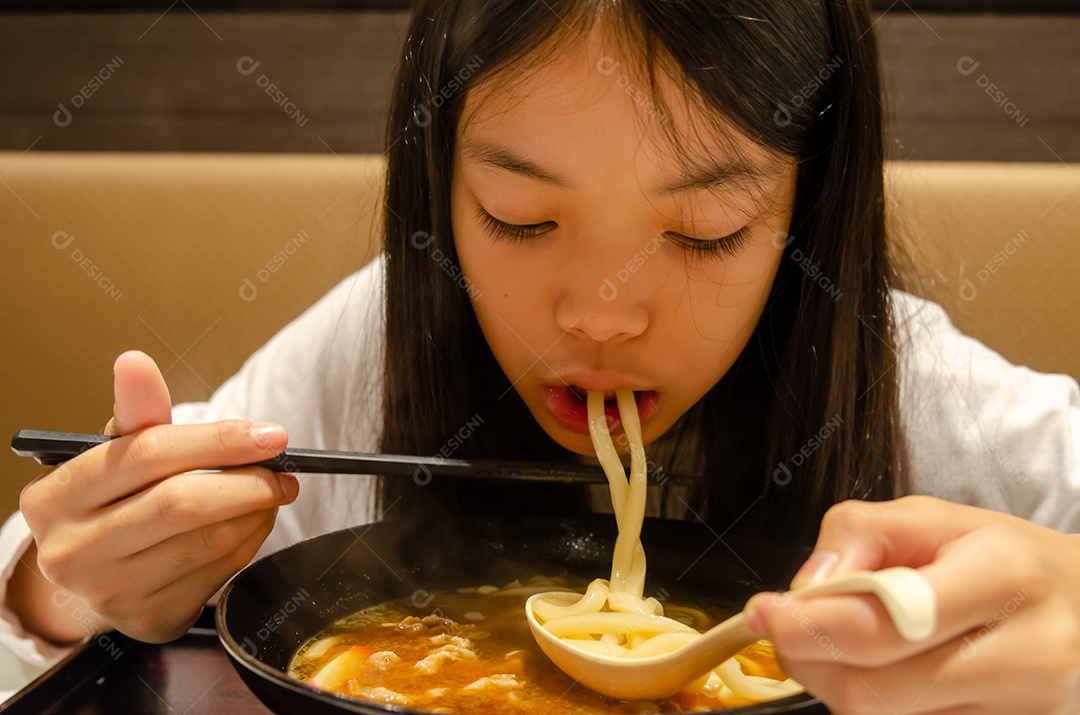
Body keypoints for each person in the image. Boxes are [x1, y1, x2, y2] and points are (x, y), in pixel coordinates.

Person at [3, 0, 1079, 712]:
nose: (603, 316)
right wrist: (64, 594)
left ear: (808, 211)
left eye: (706, 233)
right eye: (518, 217)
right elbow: (54, 590)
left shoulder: (936, 411)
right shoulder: (368, 352)